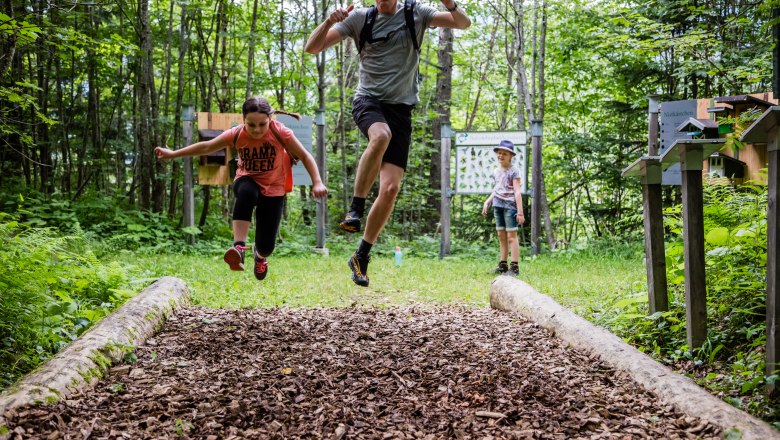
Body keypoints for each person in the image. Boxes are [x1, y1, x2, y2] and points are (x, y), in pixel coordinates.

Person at [304, 0, 471, 287]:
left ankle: (361, 256)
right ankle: (355, 208)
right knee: (380, 135)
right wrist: (330, 21)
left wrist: (450, 3)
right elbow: (312, 47)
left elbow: (462, 23)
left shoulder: (416, 13)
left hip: (401, 108)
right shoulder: (359, 18)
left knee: (391, 189)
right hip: (368, 100)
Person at [154, 97, 328, 280]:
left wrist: (317, 181)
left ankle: (259, 256)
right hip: (247, 179)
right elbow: (206, 146)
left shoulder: (281, 132)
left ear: (270, 119)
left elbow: (305, 156)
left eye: (262, 124)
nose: (257, 130)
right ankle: (239, 247)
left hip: (274, 188)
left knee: (267, 247)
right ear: (243, 119)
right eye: (251, 124)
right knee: (247, 192)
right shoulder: (236, 134)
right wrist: (173, 154)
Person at [481, 140, 525, 276]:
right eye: (499, 153)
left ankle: (514, 267)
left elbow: (517, 192)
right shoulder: (496, 171)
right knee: (501, 235)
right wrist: (487, 202)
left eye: (504, 154)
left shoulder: (514, 171)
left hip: (510, 206)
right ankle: (503, 265)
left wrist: (520, 212)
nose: (501, 156)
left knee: (512, 236)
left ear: (510, 156)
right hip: (498, 204)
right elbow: (497, 189)